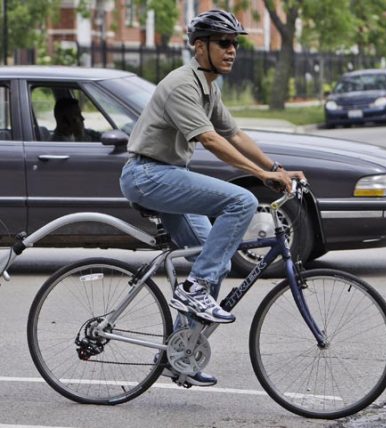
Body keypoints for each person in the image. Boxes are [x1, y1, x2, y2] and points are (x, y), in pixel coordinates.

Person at [119, 10, 305, 386]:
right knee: (241, 202)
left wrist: (276, 168)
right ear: (199, 46)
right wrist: (260, 176)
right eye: (223, 42)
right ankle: (193, 288)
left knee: (213, 259)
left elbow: (233, 134)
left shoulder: (208, 87)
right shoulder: (181, 84)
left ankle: (179, 355)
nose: (232, 50)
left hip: (167, 175)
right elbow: (210, 140)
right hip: (148, 175)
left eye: (235, 43)